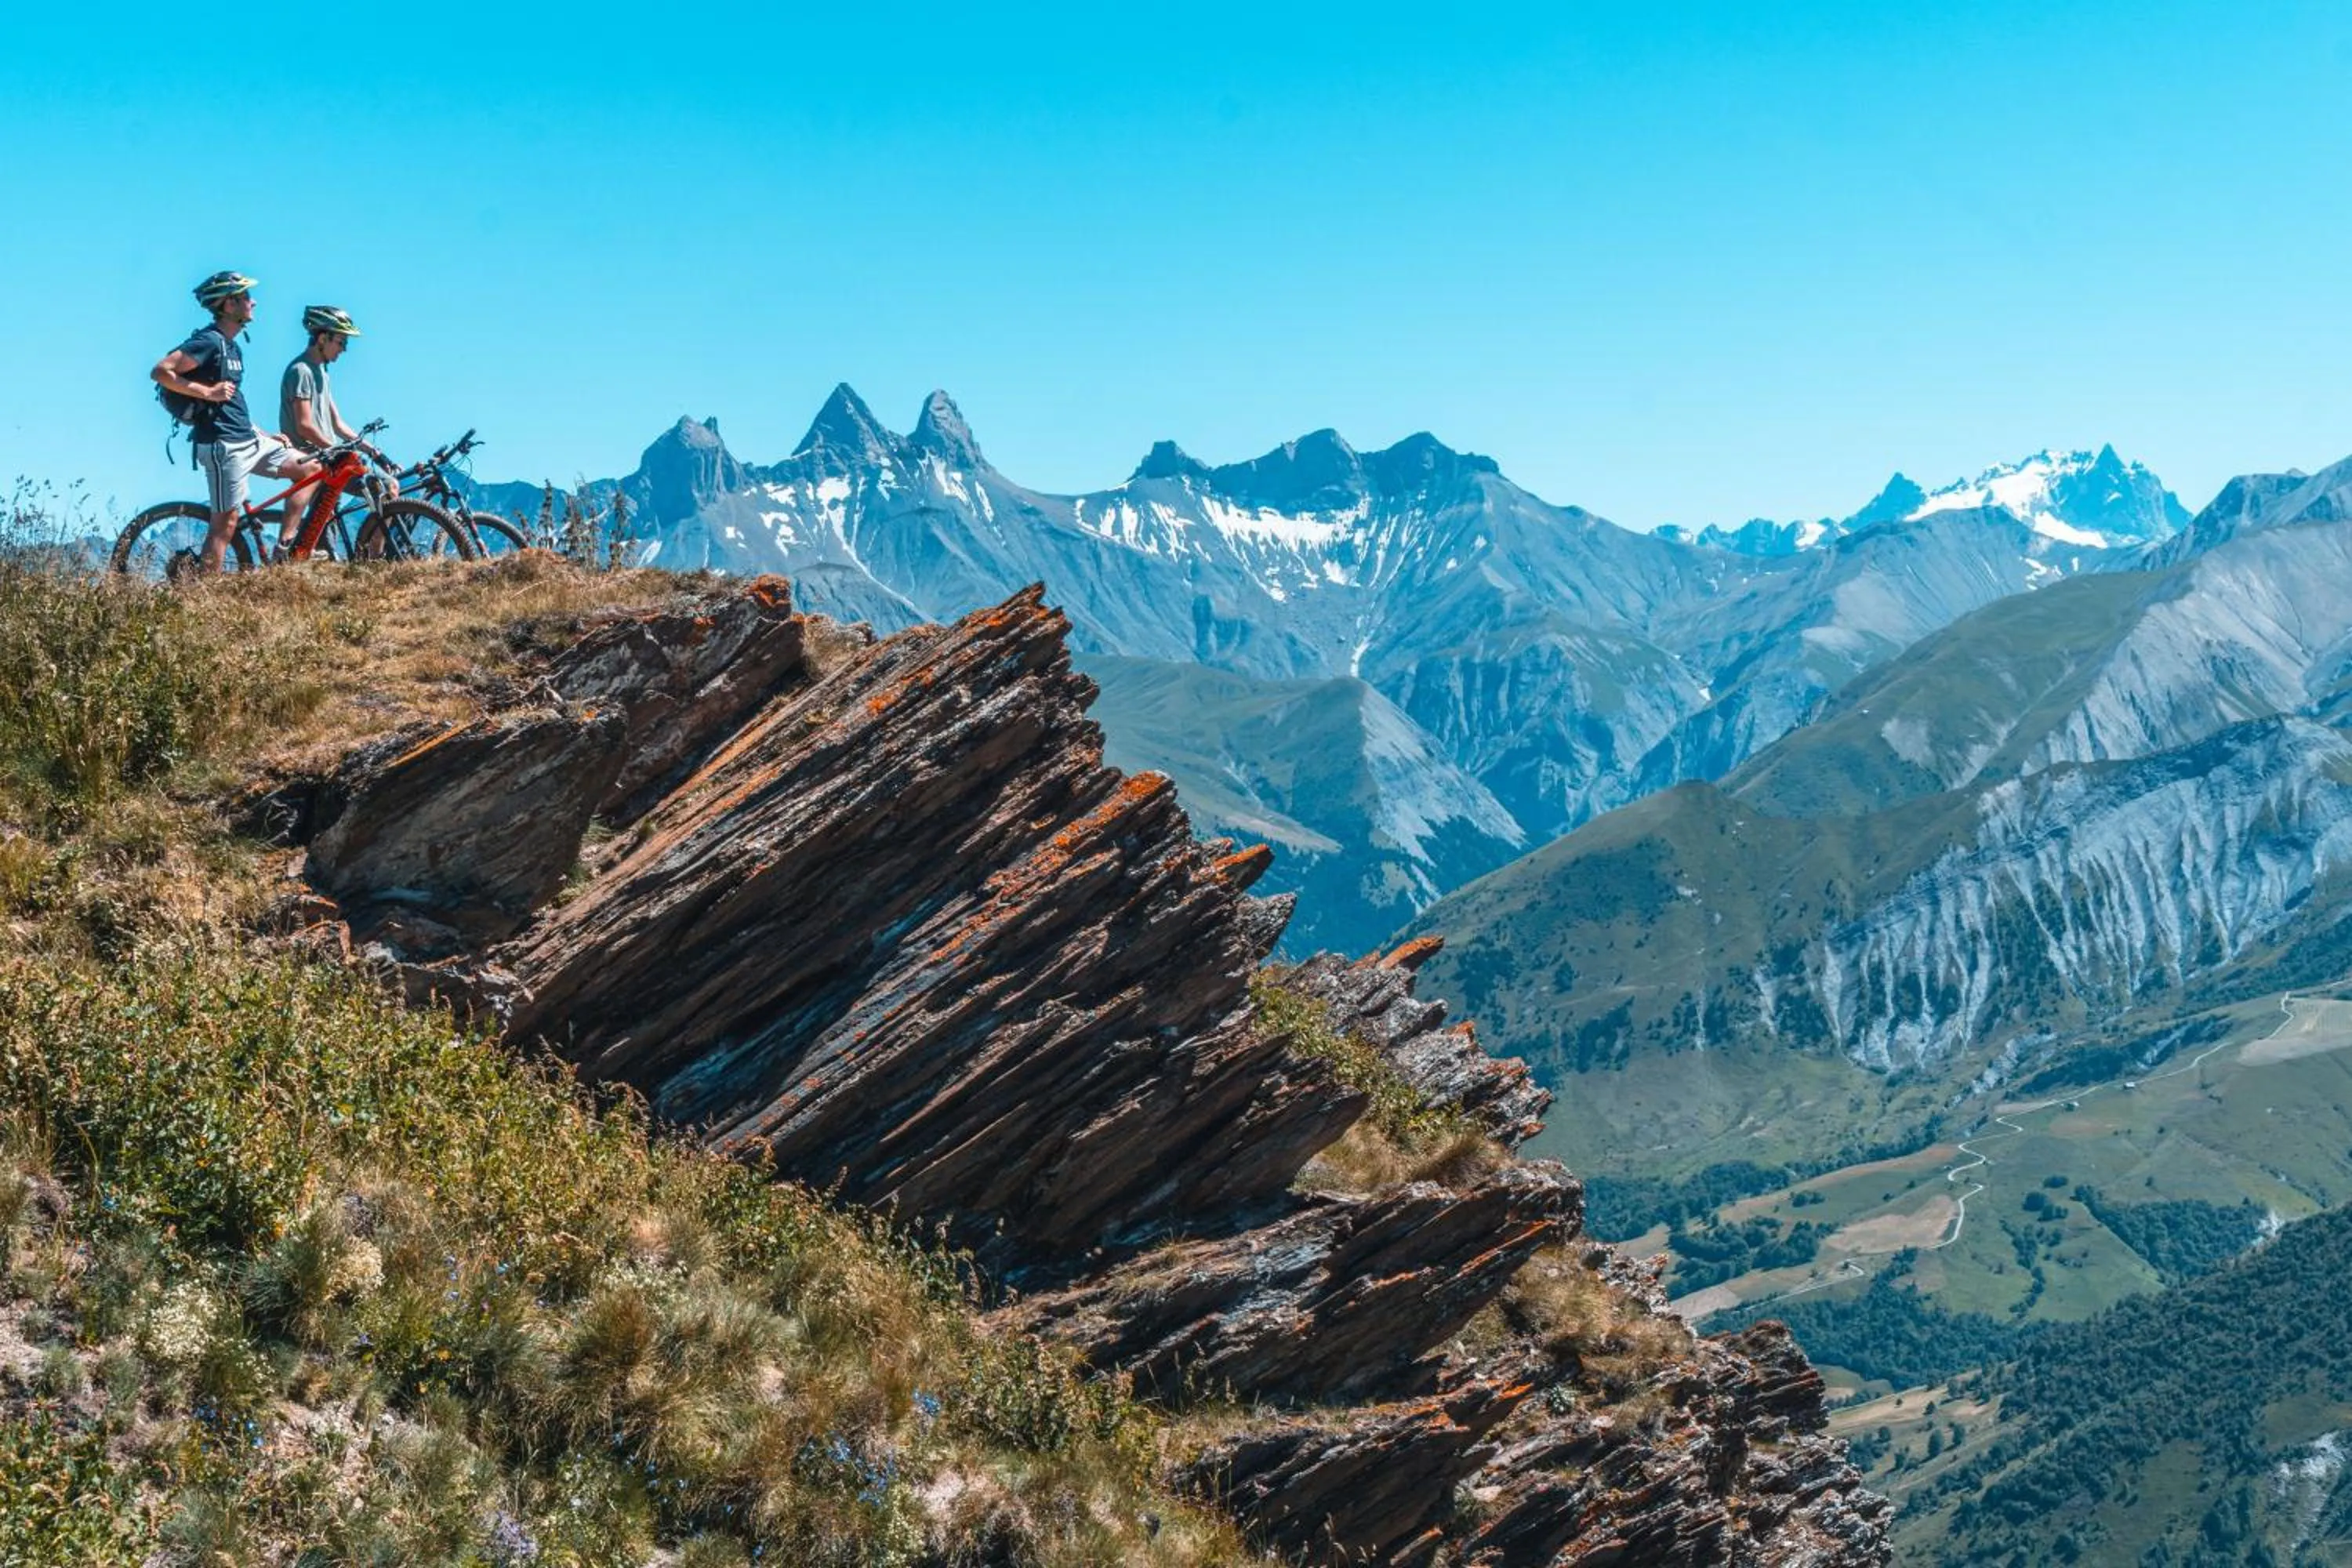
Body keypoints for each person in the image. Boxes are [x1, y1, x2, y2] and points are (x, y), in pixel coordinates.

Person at [150, 272, 321, 573]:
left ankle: (286, 548)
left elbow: (232, 404)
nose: (252, 302)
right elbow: (161, 371)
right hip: (222, 446)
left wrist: (265, 434)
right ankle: (206, 596)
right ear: (229, 305)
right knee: (224, 525)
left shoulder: (234, 347)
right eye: (245, 298)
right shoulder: (208, 341)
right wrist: (207, 392)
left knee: (312, 469)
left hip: (249, 439)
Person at [277, 306, 372, 553]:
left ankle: (375, 559)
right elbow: (304, 425)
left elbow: (337, 424)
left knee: (387, 488)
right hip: (311, 459)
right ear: (322, 338)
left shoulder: (322, 373)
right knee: (319, 538)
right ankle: (285, 548)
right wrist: (335, 451)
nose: (343, 349)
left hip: (329, 460)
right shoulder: (301, 371)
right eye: (341, 342)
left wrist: (371, 450)